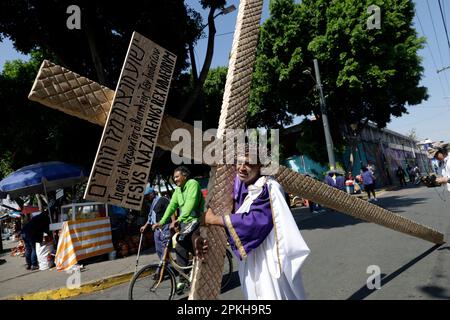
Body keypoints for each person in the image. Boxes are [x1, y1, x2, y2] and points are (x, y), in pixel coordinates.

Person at [195, 152, 310, 300]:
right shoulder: (238, 188)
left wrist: (214, 219)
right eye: (239, 162)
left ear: (260, 166)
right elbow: (225, 216)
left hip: (268, 259)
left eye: (248, 164)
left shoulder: (269, 187)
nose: (242, 168)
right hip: (249, 260)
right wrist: (198, 235)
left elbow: (255, 221)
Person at [152, 166, 205, 293]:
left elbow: (190, 204)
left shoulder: (193, 184)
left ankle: (202, 265)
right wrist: (161, 222)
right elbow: (171, 206)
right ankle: (183, 279)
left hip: (197, 220)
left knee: (192, 242)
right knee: (180, 246)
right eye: (174, 177)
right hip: (185, 223)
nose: (175, 179)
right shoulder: (178, 190)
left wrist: (179, 219)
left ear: (185, 176)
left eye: (177, 176)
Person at [140, 185, 170, 260]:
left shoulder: (163, 200)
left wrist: (173, 223)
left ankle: (167, 266)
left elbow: (171, 211)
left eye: (147, 196)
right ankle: (163, 266)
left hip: (164, 227)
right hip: (156, 229)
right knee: (158, 249)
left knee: (165, 248)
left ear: (152, 194)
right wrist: (145, 226)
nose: (146, 199)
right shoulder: (152, 204)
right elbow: (151, 217)